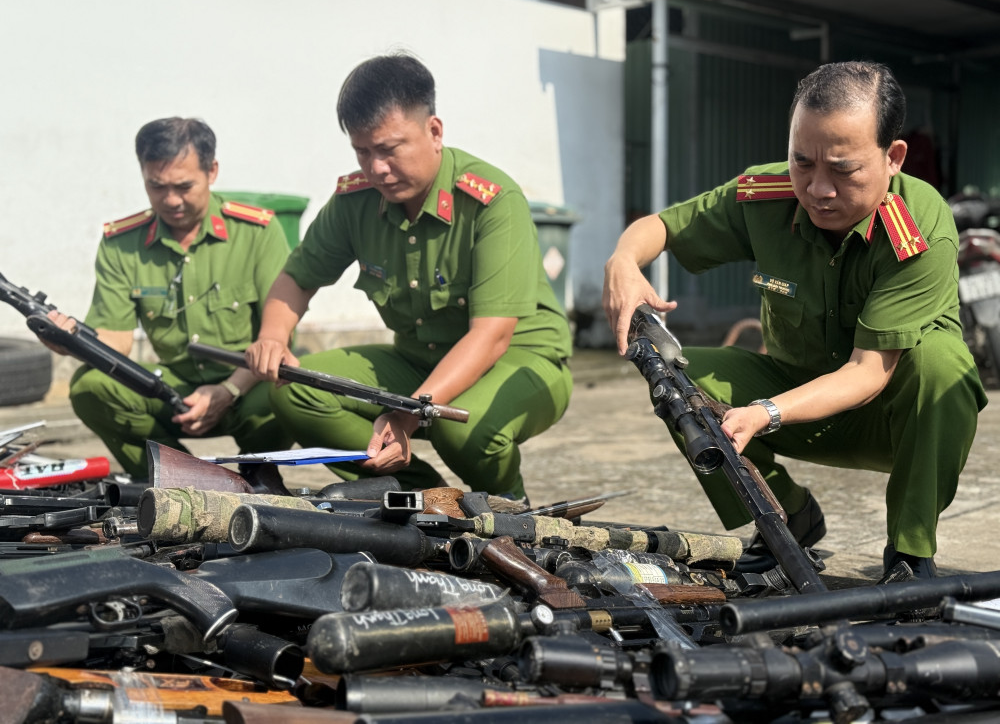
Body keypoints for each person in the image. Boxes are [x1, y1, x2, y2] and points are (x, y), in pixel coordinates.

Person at [603, 61, 986, 580]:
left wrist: (764, 412)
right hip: (800, 398)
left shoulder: (918, 228)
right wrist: (623, 261)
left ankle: (910, 551)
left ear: (893, 157)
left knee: (942, 365)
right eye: (802, 162)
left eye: (843, 169)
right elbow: (662, 227)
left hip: (895, 420)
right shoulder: (766, 197)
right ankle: (787, 516)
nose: (818, 189)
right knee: (675, 376)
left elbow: (870, 370)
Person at [245, 53, 573, 499]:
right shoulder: (355, 201)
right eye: (363, 151)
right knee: (295, 392)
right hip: (419, 360)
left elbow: (492, 336)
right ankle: (423, 497)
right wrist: (273, 336)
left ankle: (509, 510)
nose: (376, 167)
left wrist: (408, 413)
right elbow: (298, 278)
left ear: (434, 132)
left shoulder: (492, 201)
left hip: (521, 358)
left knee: (459, 430)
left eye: (389, 149)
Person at [49, 117, 293, 479]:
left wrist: (227, 390)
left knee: (291, 389)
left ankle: (259, 473)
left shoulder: (257, 232)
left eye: (183, 186)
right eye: (156, 186)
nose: (171, 200)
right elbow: (116, 341)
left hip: (246, 385)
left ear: (212, 171)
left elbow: (277, 342)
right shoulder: (123, 243)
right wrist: (70, 341)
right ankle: (179, 477)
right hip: (170, 391)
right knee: (89, 386)